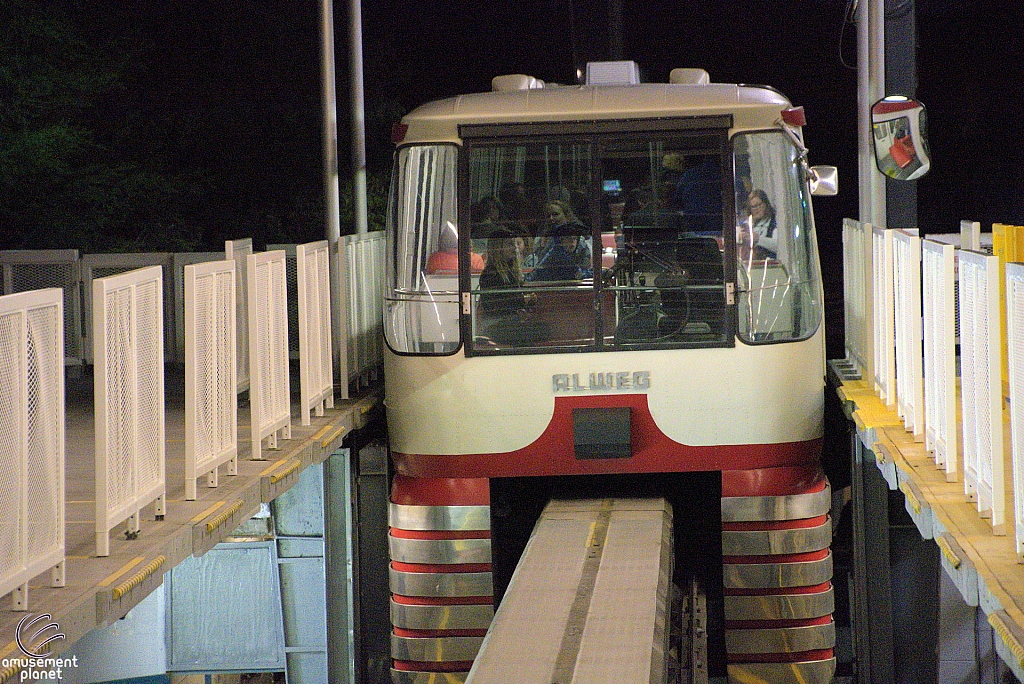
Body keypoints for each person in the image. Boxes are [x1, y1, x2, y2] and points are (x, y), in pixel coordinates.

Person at [478, 229, 549, 345]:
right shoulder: (490, 273)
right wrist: (523, 300)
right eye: (510, 244)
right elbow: (493, 305)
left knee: (542, 327)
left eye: (515, 244)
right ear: (498, 248)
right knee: (541, 330)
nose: (514, 248)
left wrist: (527, 301)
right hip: (496, 323)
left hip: (507, 321)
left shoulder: (510, 271)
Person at [528, 199, 591, 278]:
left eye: (555, 214)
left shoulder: (579, 240)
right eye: (548, 216)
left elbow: (584, 267)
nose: (551, 218)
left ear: (566, 216)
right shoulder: (540, 239)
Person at [743, 189, 778, 259]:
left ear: (766, 204)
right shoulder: (747, 224)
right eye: (753, 207)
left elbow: (778, 246)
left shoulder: (774, 222)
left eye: (759, 205)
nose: (757, 209)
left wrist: (758, 239)